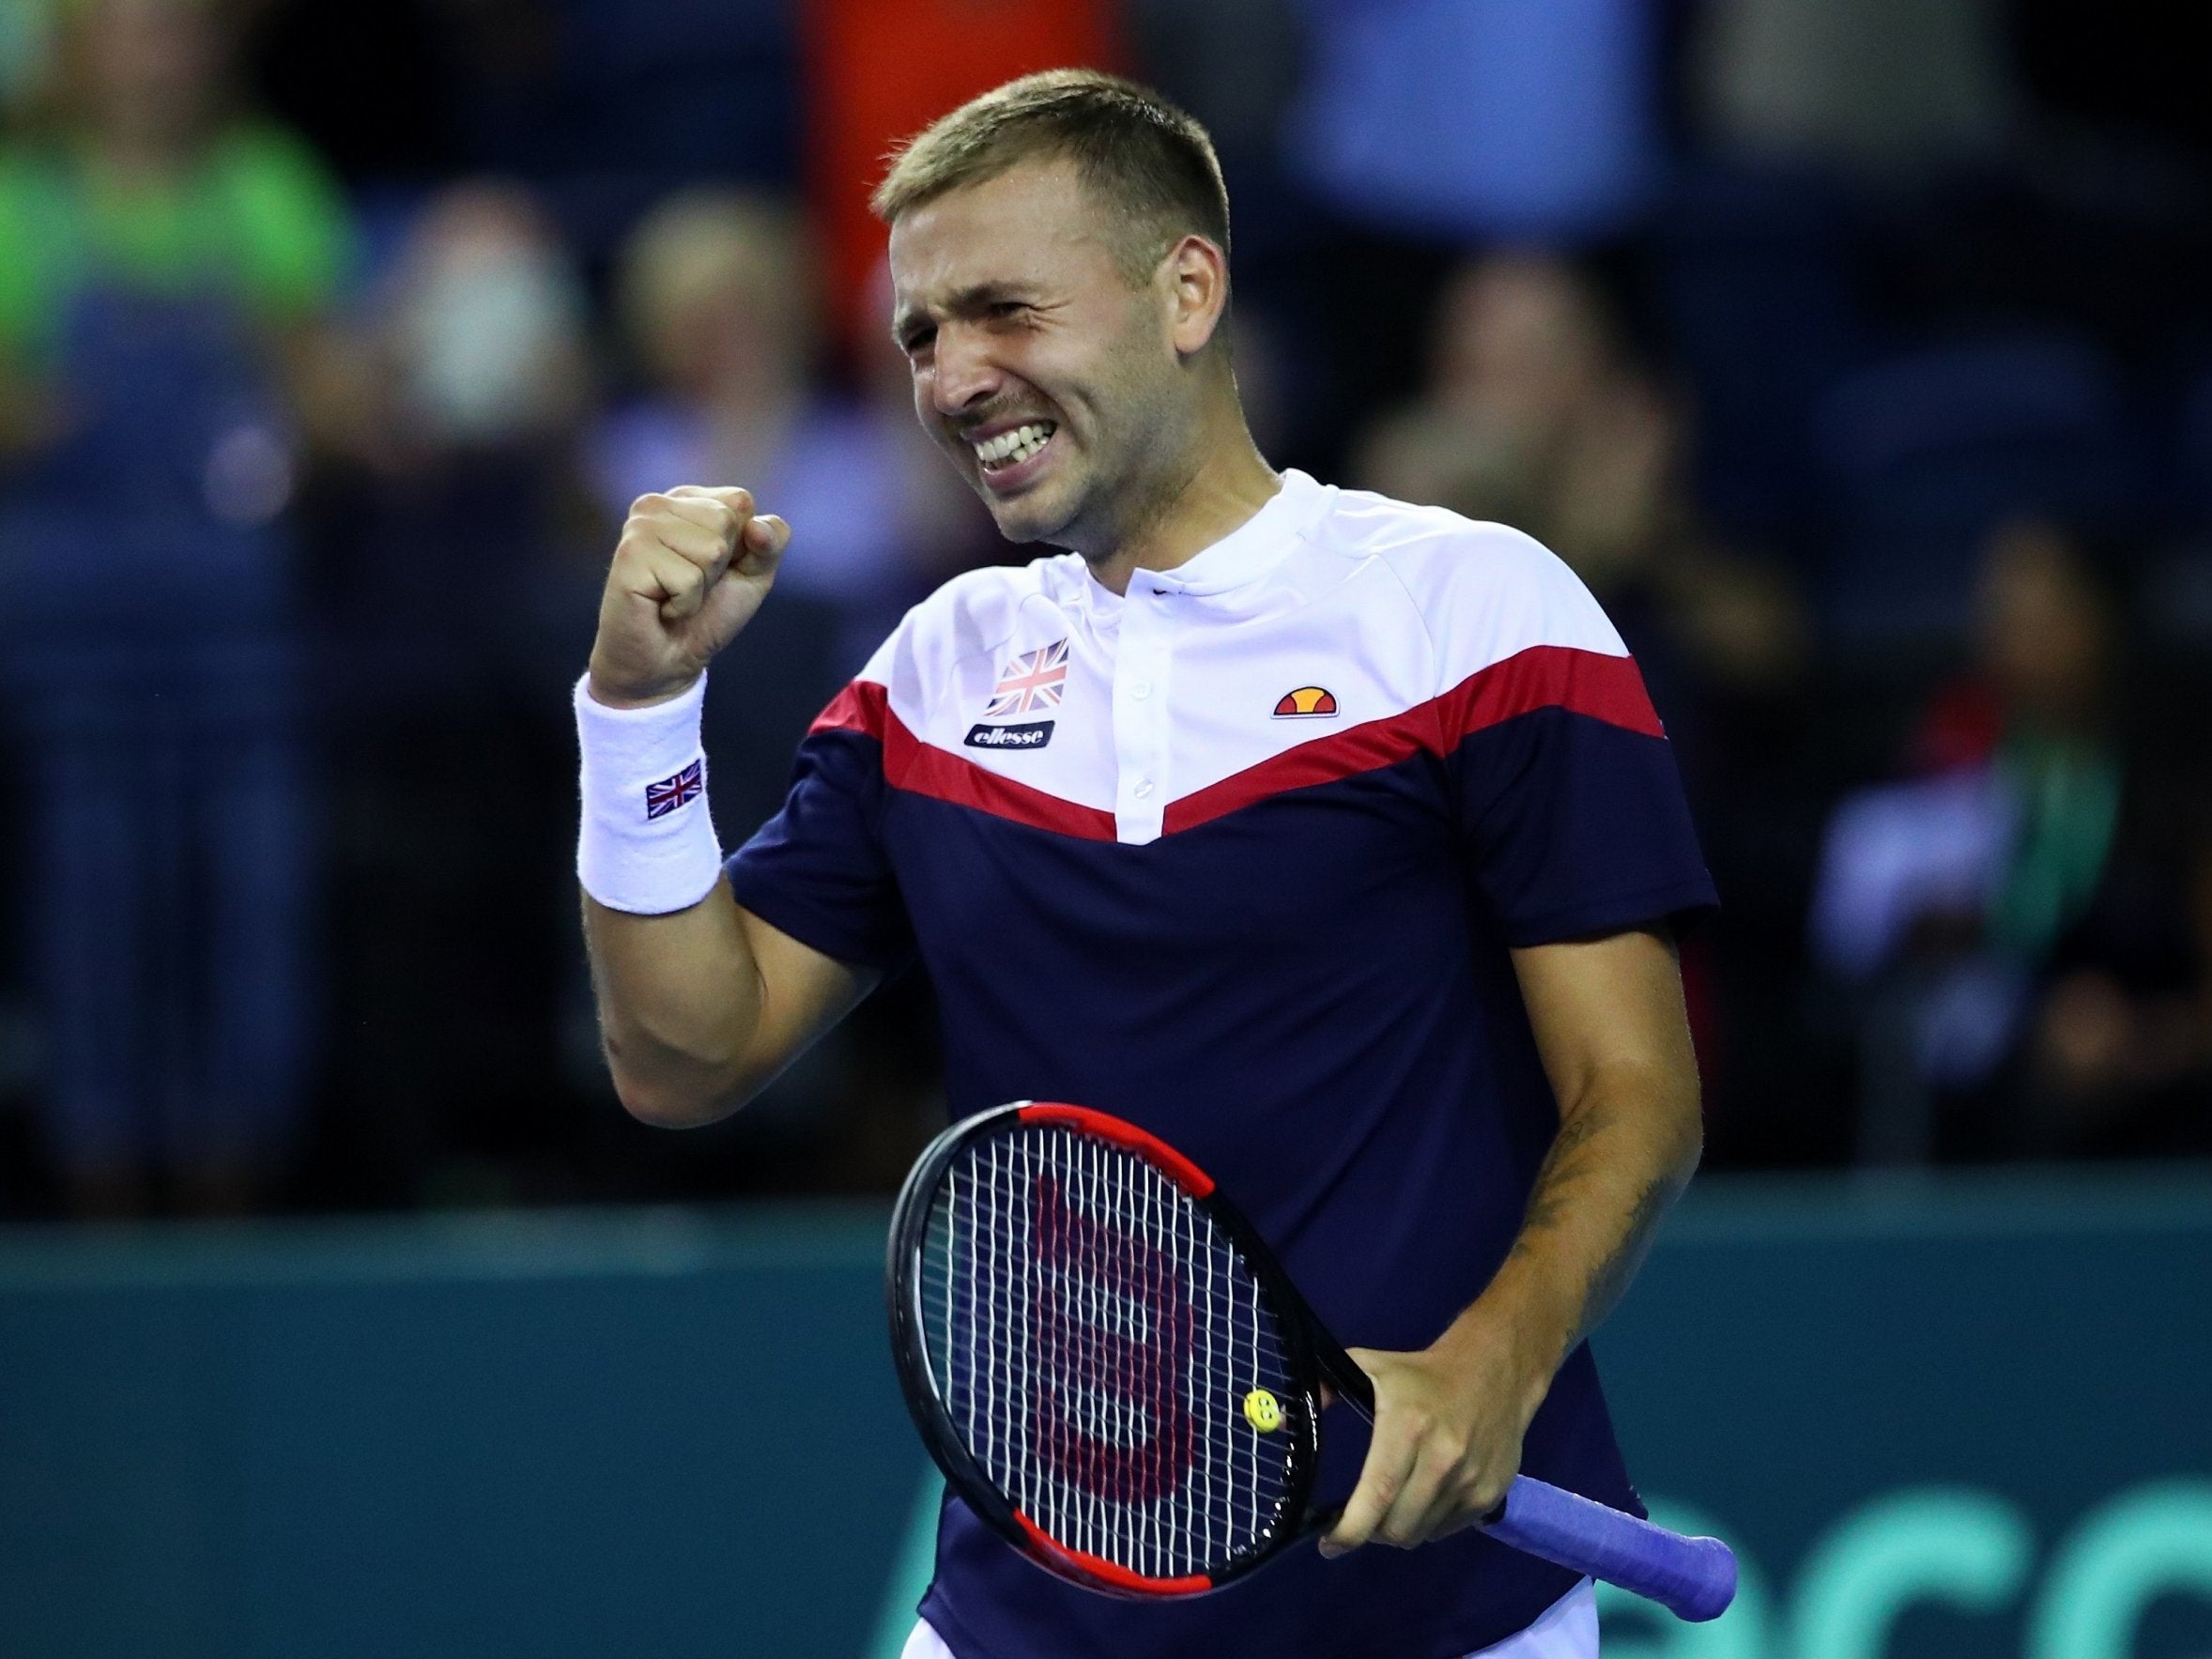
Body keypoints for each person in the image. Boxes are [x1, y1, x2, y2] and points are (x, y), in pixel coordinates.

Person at [575, 71, 1713, 1659]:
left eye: (1002, 311)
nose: (957, 377)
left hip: (1447, 1622)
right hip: (1022, 1621)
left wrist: (1488, 1370)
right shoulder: (931, 677)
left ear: (1189, 290)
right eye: (917, 335)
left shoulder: (1477, 616)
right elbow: (682, 1056)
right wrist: (636, 709)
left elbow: (1637, 1090)